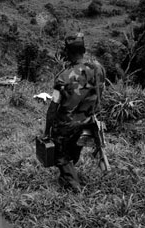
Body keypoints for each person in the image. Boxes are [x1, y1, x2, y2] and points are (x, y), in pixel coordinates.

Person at [43, 32, 106, 192]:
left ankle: (74, 188)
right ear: (84, 50)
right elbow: (100, 92)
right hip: (89, 120)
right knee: (74, 149)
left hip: (67, 125)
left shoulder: (63, 77)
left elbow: (52, 109)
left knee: (61, 156)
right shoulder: (99, 68)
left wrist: (47, 131)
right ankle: (66, 175)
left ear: (67, 53)